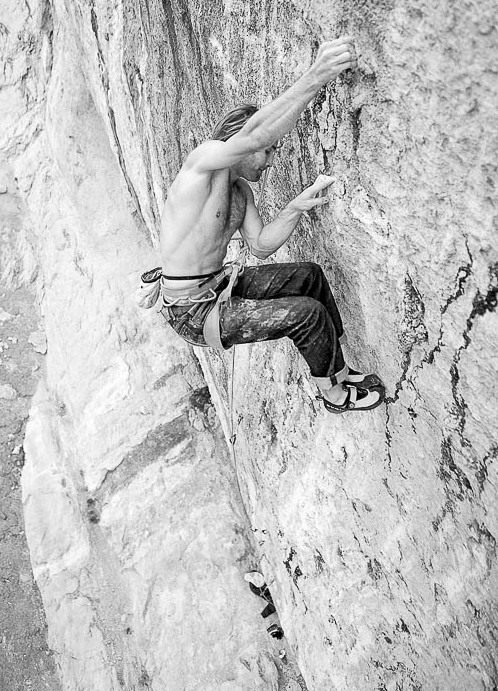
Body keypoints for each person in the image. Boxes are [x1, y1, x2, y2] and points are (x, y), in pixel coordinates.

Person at [158, 37, 384, 413]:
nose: (271, 160)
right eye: (268, 151)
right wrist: (317, 75)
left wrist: (295, 207)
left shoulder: (241, 191)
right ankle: (335, 396)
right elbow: (258, 133)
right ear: (240, 144)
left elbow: (260, 245)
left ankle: (340, 370)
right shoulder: (202, 166)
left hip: (217, 288)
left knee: (309, 277)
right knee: (305, 314)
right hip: (192, 311)